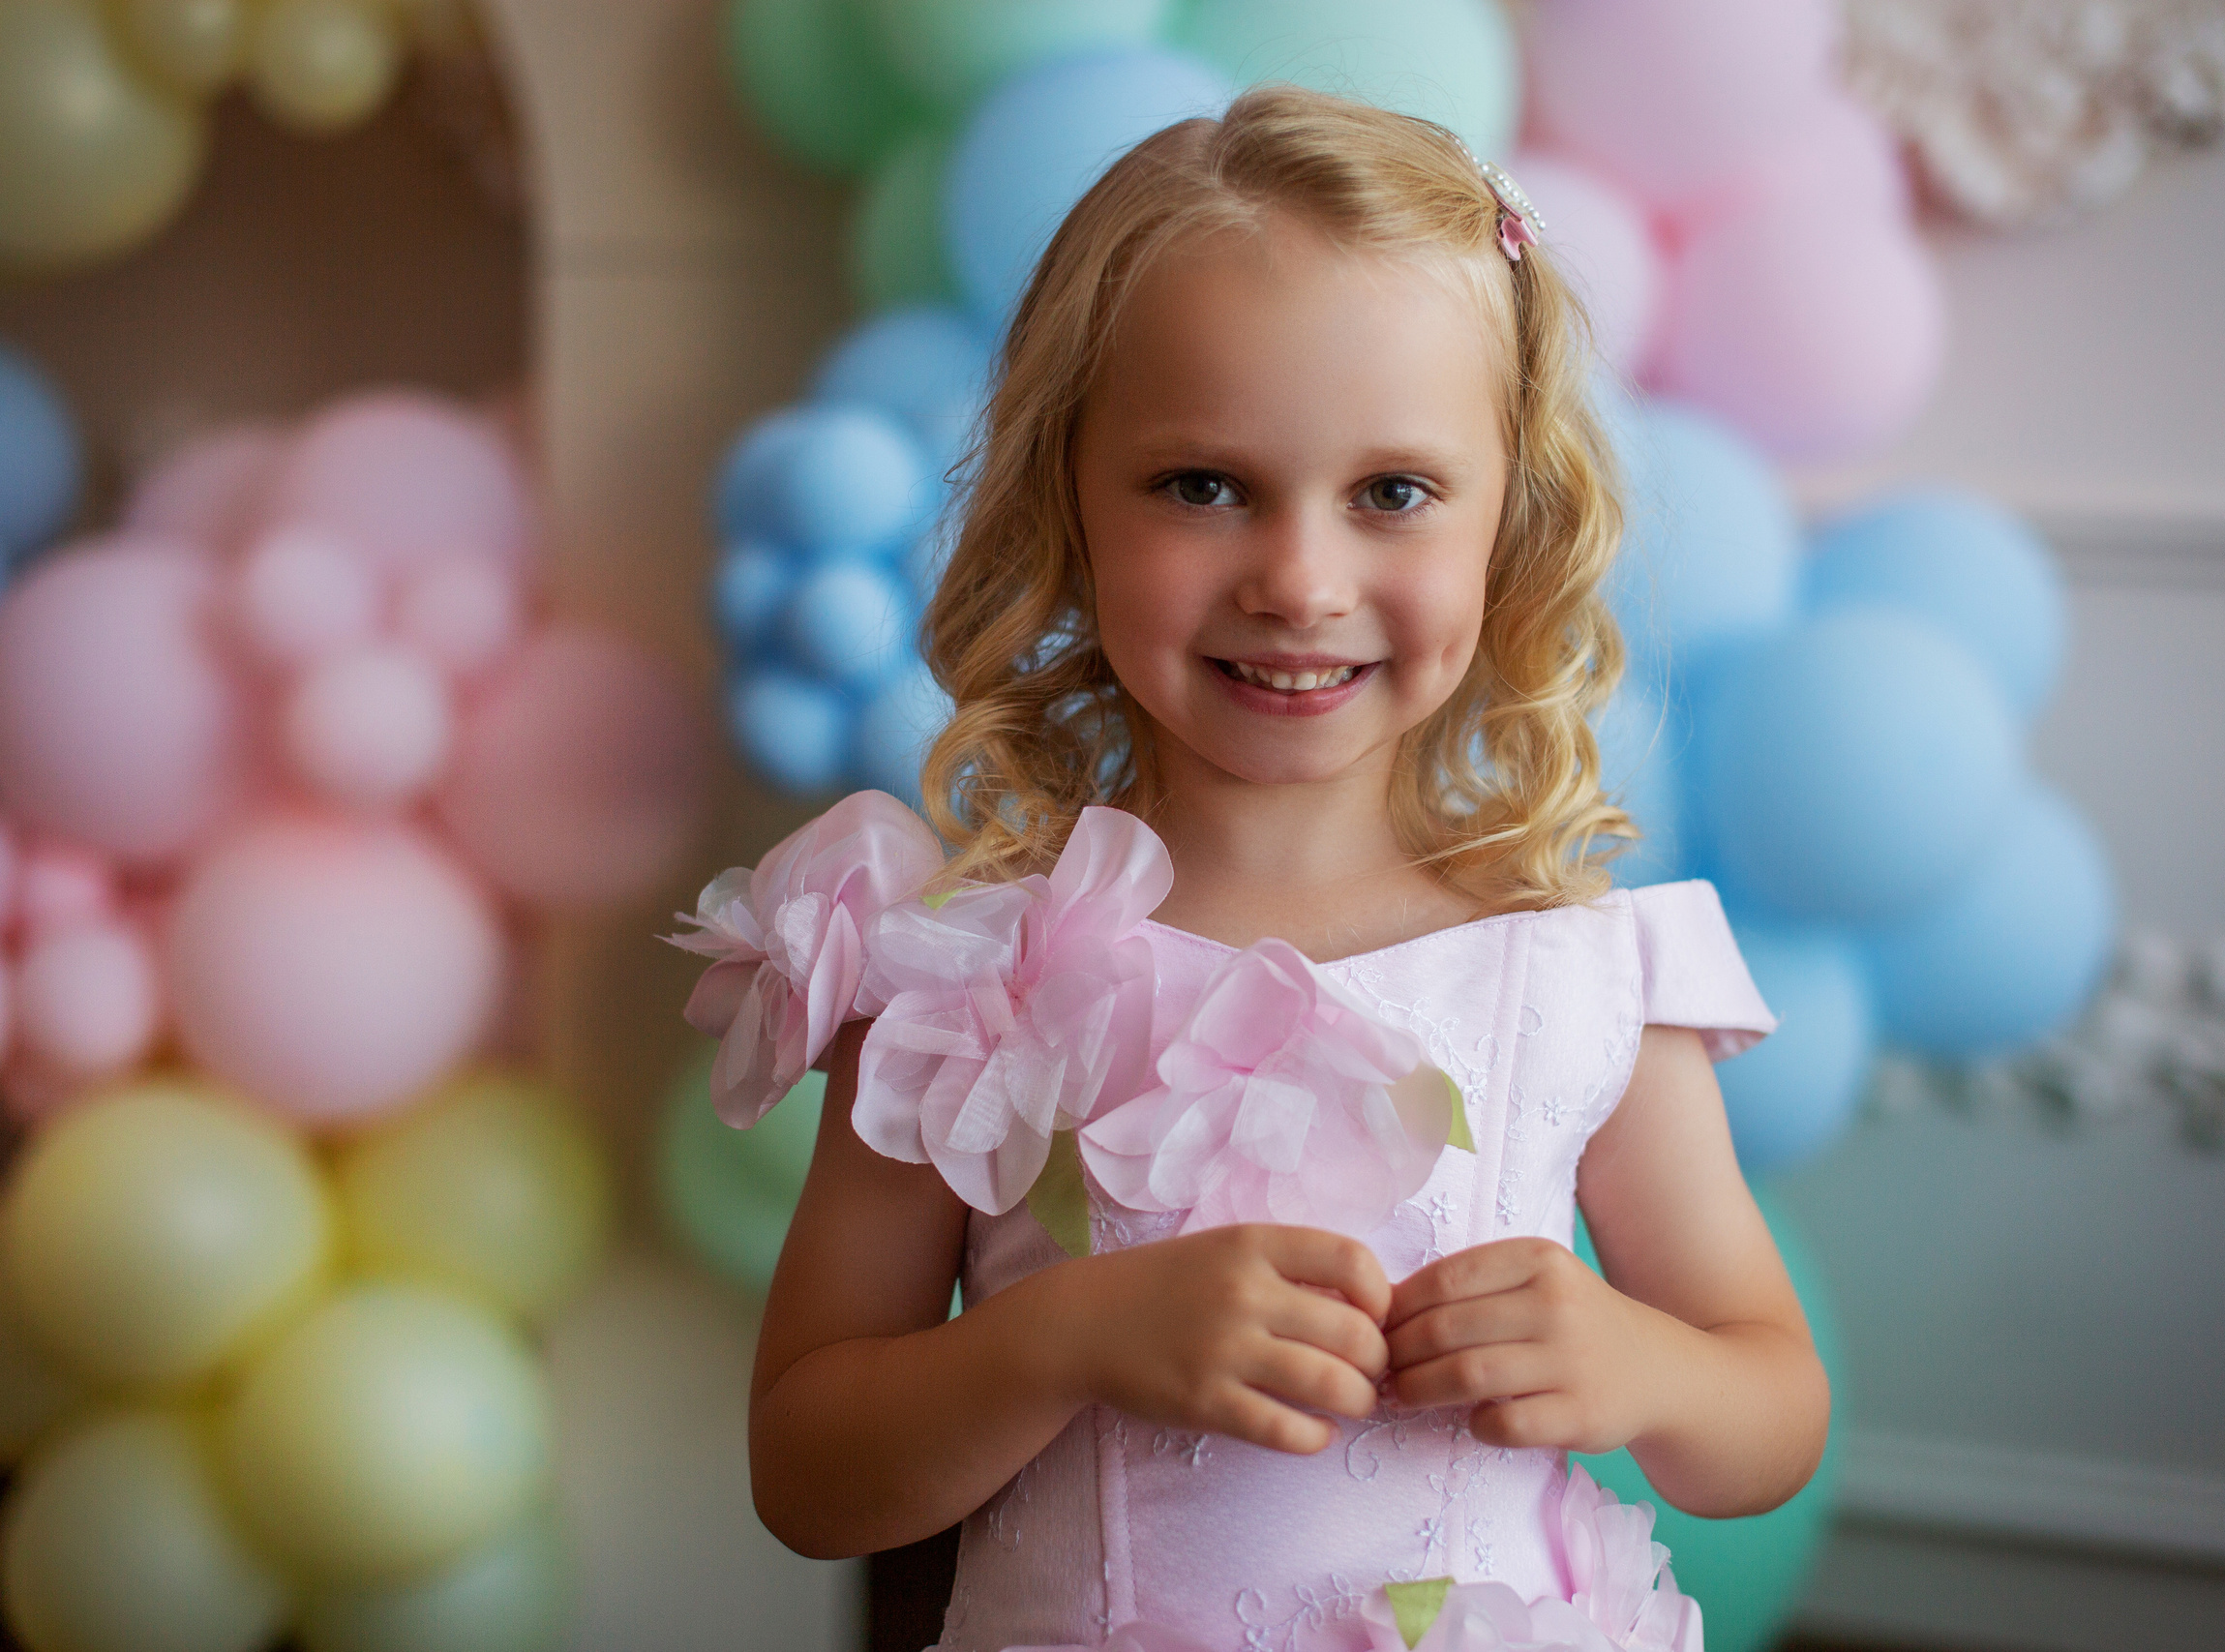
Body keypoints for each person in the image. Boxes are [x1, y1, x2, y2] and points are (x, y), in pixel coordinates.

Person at [674, 85, 1828, 1652]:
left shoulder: (1577, 970)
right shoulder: (963, 981)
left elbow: (1770, 1411)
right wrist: (1062, 1338)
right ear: (1070, 504)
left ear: (1509, 523)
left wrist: (1644, 1365)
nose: (1298, 578)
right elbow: (807, 1474)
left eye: (1394, 493)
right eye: (1202, 484)